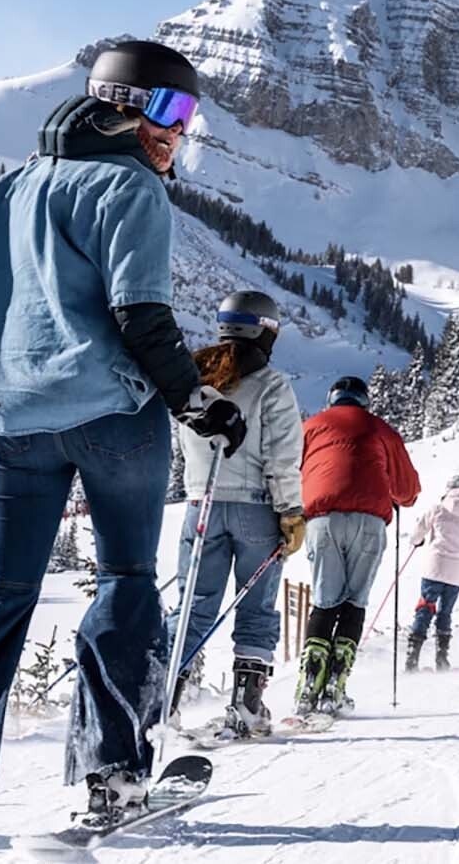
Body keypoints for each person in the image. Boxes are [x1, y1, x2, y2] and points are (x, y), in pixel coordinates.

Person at [0, 41, 246, 838]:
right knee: (127, 580)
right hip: (110, 418)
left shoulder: (18, 182)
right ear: (122, 105)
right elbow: (141, 314)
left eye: (187, 118)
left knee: (0, 595)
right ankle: (114, 777)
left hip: (15, 424)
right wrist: (193, 403)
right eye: (168, 111)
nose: (176, 133)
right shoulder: (131, 188)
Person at [166, 291, 304, 739]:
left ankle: (161, 702)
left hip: (200, 506)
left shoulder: (195, 378)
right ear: (266, 331)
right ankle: (246, 705)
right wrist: (291, 512)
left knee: (193, 607)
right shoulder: (271, 384)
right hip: (256, 511)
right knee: (256, 608)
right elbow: (282, 456)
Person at [296, 376, 420, 714]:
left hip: (323, 518)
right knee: (354, 601)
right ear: (364, 401)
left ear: (332, 399)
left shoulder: (311, 426)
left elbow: (289, 471)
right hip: (369, 520)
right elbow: (408, 491)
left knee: (324, 600)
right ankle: (336, 684)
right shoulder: (381, 429)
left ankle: (309, 682)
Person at [404, 475, 459, 672]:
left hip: (434, 567)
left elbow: (418, 533)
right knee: (446, 612)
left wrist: (417, 541)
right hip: (457, 572)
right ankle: (442, 657)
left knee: (425, 606)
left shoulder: (438, 509)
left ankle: (412, 656)